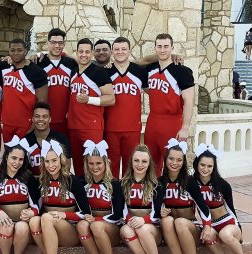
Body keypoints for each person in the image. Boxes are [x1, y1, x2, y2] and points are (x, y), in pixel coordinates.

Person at [29, 140, 91, 254]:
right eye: (47, 161)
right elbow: (37, 207)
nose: (51, 165)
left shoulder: (72, 181)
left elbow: (86, 213)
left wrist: (65, 215)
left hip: (69, 231)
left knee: (46, 217)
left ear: (61, 159)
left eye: (54, 160)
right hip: (49, 227)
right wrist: (29, 212)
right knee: (33, 221)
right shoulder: (42, 181)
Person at [158, 139, 212, 254]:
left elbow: (203, 206)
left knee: (180, 222)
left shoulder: (189, 182)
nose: (174, 163)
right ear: (165, 160)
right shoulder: (160, 182)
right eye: (171, 159)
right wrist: (159, 212)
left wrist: (207, 225)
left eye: (179, 160)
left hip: (190, 229)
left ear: (183, 162)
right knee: (167, 220)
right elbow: (153, 208)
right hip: (169, 231)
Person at [193, 144, 248, 254]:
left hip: (228, 222)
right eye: (202, 165)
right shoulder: (192, 184)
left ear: (214, 167)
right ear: (197, 164)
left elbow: (231, 208)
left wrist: (239, 228)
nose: (205, 169)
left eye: (209, 166)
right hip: (210, 225)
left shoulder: (222, 184)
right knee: (207, 236)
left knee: (224, 234)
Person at [144, 33, 195, 175]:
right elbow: (135, 64)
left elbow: (189, 101)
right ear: (155, 48)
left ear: (172, 48)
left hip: (172, 121)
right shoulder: (149, 69)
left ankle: (174, 193)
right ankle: (153, 193)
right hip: (153, 121)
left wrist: (185, 127)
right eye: (159, 46)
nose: (162, 50)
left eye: (166, 46)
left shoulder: (182, 71)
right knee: (151, 163)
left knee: (173, 163)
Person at [0, 136, 40, 254]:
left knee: (22, 227)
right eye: (14, 158)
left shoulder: (28, 177)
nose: (17, 162)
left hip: (22, 221)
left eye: (20, 159)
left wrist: (32, 212)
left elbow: (37, 202)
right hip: (3, 221)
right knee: (7, 226)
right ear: (6, 157)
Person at [76, 140, 123, 254]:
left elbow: (118, 214)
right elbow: (80, 208)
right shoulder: (81, 183)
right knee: (81, 226)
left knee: (95, 226)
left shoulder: (115, 184)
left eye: (98, 163)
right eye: (91, 164)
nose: (95, 167)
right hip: (91, 227)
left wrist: (97, 221)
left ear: (106, 163)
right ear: (86, 164)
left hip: (111, 229)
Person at [68, 38, 115, 177]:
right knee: (77, 166)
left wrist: (89, 99)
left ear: (92, 53)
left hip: (91, 126)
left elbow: (111, 98)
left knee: (95, 164)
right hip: (74, 126)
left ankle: (97, 194)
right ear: (76, 53)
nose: (84, 54)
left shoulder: (99, 72)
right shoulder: (73, 71)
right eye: (81, 51)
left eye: (87, 52)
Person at [119, 145, 165, 254]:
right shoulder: (122, 184)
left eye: (144, 161)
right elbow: (120, 209)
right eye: (136, 160)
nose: (140, 165)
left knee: (142, 228)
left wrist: (143, 220)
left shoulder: (156, 185)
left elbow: (157, 212)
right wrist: (131, 220)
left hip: (151, 230)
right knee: (126, 229)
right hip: (130, 225)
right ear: (131, 162)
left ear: (149, 163)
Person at [105, 37, 147, 178]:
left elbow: (155, 93)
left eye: (123, 49)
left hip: (132, 127)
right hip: (111, 127)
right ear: (112, 52)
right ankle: (114, 195)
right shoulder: (105, 72)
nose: (120, 52)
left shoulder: (139, 71)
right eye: (117, 49)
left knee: (131, 165)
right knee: (112, 166)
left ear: (129, 51)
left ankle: (130, 194)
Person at [0, 38, 48, 142]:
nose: (16, 53)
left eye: (19, 50)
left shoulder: (37, 72)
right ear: (9, 52)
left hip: (26, 124)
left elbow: (42, 102)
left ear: (26, 51)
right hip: (8, 123)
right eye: (12, 50)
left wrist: (35, 125)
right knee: (9, 155)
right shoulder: (3, 66)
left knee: (25, 156)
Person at [37, 28, 78, 137]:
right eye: (53, 42)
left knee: (66, 152)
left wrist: (67, 54)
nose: (57, 46)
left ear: (64, 44)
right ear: (47, 43)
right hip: (45, 119)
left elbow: (85, 63)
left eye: (60, 43)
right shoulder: (39, 63)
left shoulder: (71, 64)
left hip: (66, 118)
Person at [24, 102, 72, 177]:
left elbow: (67, 168)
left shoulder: (61, 140)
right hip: (33, 184)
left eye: (45, 116)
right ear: (33, 119)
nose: (41, 119)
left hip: (56, 183)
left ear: (49, 119)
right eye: (37, 116)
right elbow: (22, 170)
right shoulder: (25, 141)